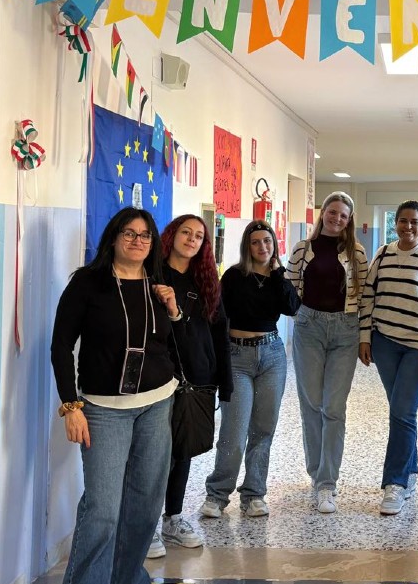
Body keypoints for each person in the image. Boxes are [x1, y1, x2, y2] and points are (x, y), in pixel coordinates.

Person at [50, 207, 181, 584]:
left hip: (157, 404)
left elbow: (173, 343)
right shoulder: (88, 283)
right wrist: (71, 406)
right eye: (129, 233)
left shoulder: (159, 281)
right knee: (103, 508)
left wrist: (173, 311)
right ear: (113, 237)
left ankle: (127, 577)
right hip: (104, 410)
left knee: (144, 506)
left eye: (145, 235)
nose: (137, 241)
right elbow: (61, 347)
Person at [358, 200, 418, 515]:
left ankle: (395, 483)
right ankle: (410, 470)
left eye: (415, 221)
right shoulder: (383, 254)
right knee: (401, 411)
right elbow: (369, 296)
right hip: (385, 343)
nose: (408, 226)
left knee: (402, 410)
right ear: (395, 223)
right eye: (403, 221)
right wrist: (365, 337)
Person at [201, 220, 301, 518]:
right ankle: (217, 495)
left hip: (272, 355)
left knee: (263, 428)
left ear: (274, 245)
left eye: (268, 242)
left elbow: (293, 307)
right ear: (247, 246)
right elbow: (217, 317)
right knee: (234, 428)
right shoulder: (233, 276)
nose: (263, 247)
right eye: (256, 242)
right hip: (237, 357)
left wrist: (280, 274)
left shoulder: (277, 277)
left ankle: (254, 493)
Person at [146, 214, 232, 559]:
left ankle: (173, 517)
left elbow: (219, 333)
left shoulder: (206, 280)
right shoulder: (152, 276)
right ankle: (147, 523)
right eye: (186, 232)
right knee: (155, 454)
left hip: (196, 379)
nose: (192, 239)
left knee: (181, 451)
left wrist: (223, 382)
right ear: (172, 235)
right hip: (156, 378)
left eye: (199, 235)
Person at [287, 192, 369, 513]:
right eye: (332, 212)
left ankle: (327, 484)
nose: (337, 219)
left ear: (349, 221)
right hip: (309, 328)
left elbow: (363, 296)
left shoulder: (356, 253)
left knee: (333, 407)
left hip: (345, 330)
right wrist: (302, 318)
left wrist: (365, 337)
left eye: (343, 216)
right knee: (311, 404)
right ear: (323, 213)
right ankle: (315, 474)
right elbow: (291, 288)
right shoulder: (301, 249)